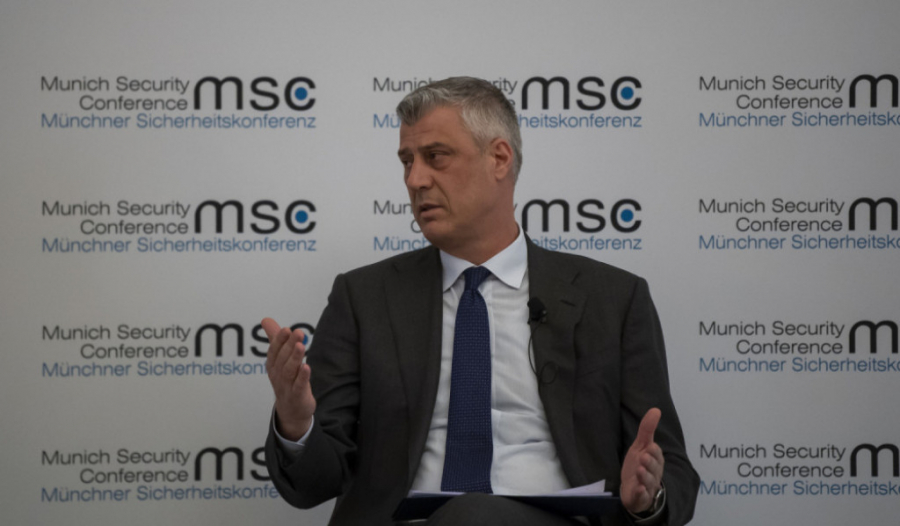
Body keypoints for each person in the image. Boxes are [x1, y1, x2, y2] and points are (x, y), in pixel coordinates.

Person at [262, 77, 699, 526]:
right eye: (407, 161)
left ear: (499, 158)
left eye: (436, 157)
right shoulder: (364, 298)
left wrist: (647, 498)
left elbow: (674, 472)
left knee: (474, 513)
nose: (415, 180)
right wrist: (297, 424)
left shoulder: (613, 299)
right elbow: (313, 485)